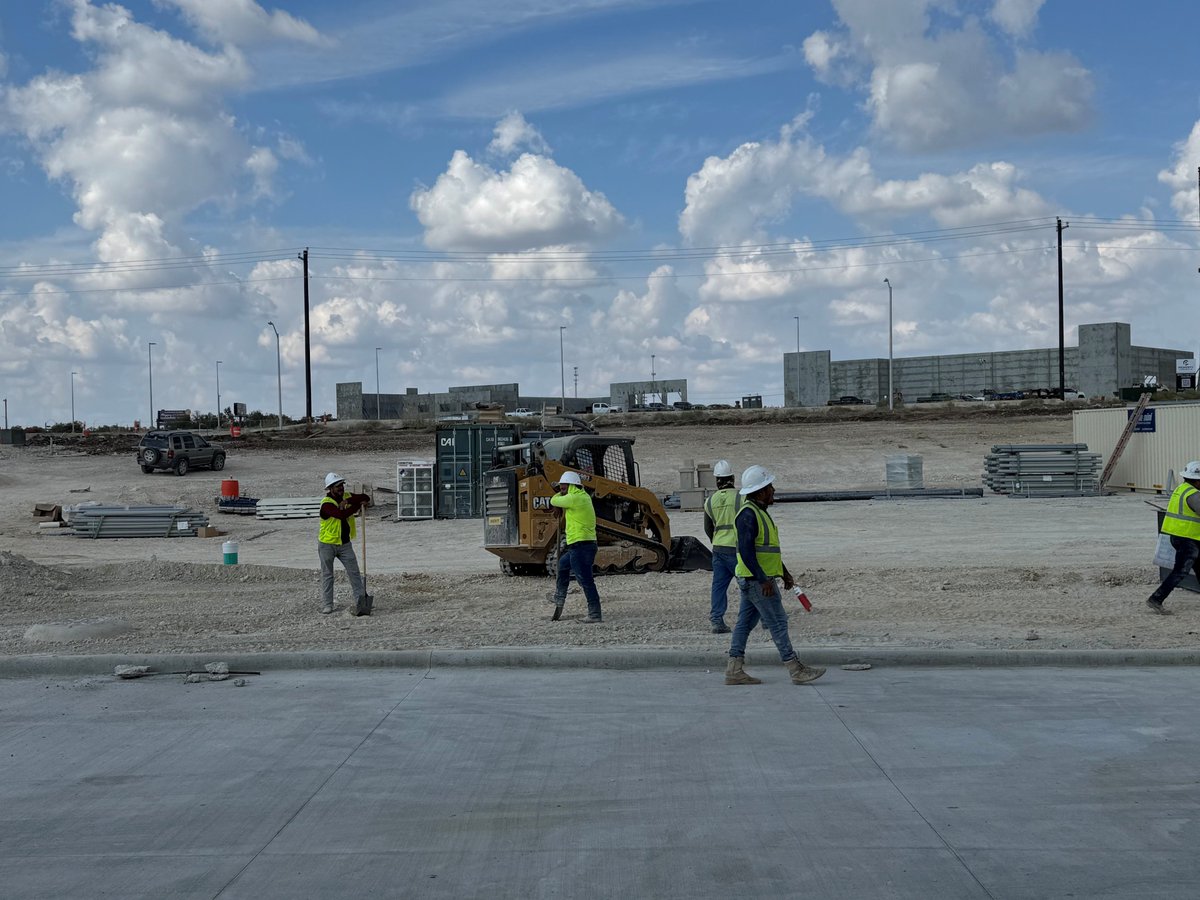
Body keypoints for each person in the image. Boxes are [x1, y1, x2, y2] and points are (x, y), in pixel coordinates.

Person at [725, 464, 825, 686]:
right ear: (760, 491)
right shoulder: (749, 515)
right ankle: (795, 668)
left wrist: (784, 573)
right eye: (769, 487)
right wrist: (763, 579)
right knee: (778, 622)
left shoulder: (759, 514)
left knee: (744, 624)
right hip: (757, 581)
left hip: (755, 579)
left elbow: (766, 550)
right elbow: (746, 551)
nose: (773, 490)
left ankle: (734, 670)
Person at [549, 470, 603, 623]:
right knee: (562, 565)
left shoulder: (575, 498)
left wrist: (559, 495)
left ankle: (594, 614)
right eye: (561, 487)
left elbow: (553, 500)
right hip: (577, 546)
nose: (562, 489)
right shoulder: (580, 497)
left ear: (573, 486)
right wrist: (562, 493)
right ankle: (559, 597)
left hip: (582, 546)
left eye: (564, 487)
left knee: (585, 580)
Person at [1147, 460, 1200, 614]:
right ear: (1197, 481)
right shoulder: (1193, 495)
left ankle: (1156, 598)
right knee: (1181, 571)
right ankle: (1156, 598)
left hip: (1183, 536)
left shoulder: (1181, 489)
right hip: (1187, 538)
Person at [318, 472, 372, 616]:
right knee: (328, 575)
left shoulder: (346, 496)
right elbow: (341, 514)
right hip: (327, 544)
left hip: (344, 544)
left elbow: (365, 497)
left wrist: (350, 502)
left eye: (341, 484)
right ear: (330, 489)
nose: (341, 488)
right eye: (337, 486)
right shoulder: (326, 504)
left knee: (354, 573)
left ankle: (361, 602)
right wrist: (356, 506)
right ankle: (327, 605)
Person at [703, 459, 740, 633]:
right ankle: (763, 618)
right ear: (732, 478)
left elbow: (707, 528)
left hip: (718, 549)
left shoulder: (710, 501)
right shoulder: (742, 497)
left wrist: (717, 540)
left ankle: (717, 620)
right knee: (749, 584)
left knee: (718, 586)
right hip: (737, 549)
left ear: (717, 480)